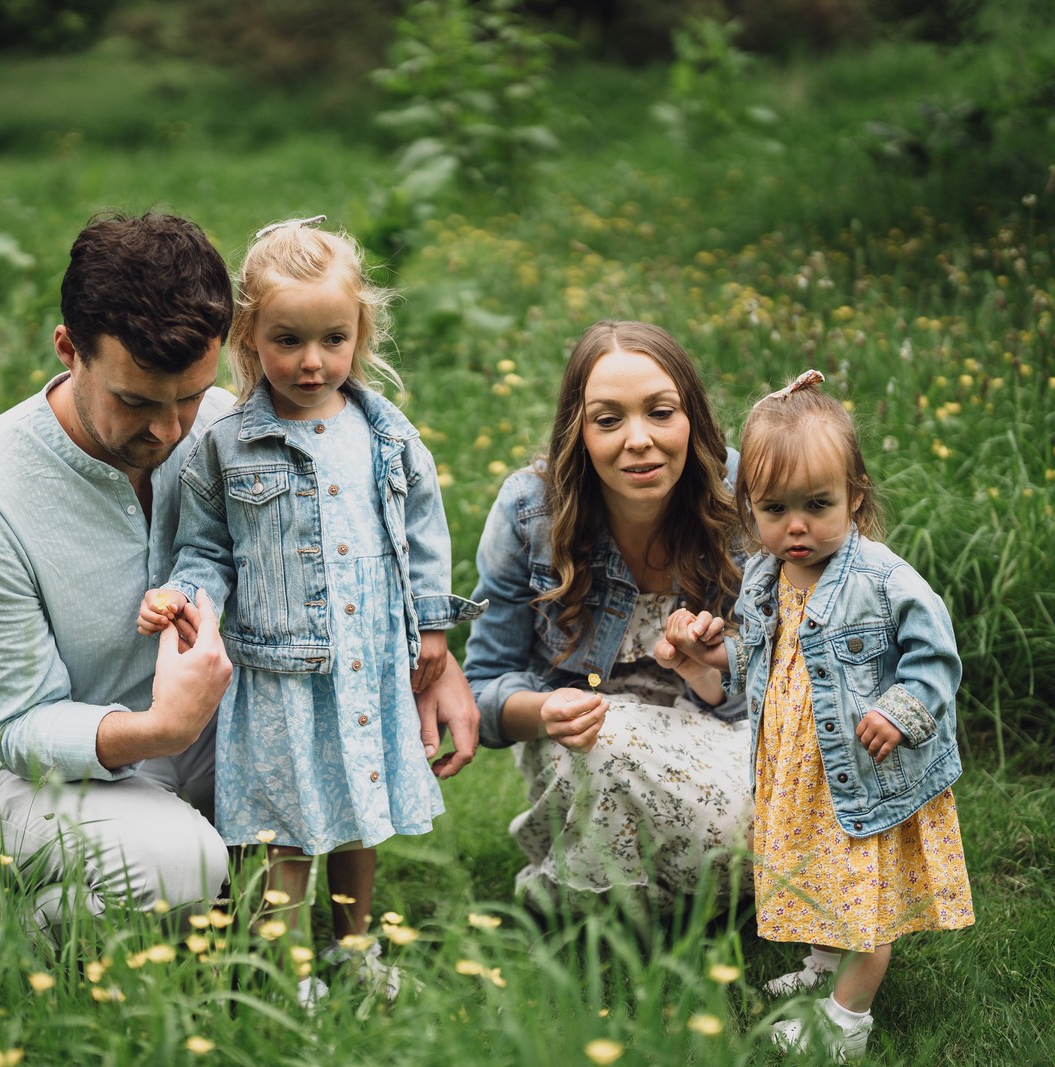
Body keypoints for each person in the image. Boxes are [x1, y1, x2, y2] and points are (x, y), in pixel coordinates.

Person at [0, 211, 481, 935]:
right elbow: (20, 726)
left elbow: (341, 539)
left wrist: (424, 653)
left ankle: (198, 913)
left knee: (310, 772)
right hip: (17, 777)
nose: (170, 430)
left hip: (192, 728)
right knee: (191, 869)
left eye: (190, 394)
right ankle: (15, 931)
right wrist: (157, 728)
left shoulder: (224, 428)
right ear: (68, 349)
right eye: (137, 401)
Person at [139, 216, 484, 1000]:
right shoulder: (225, 443)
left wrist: (431, 626)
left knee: (359, 816)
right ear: (249, 339)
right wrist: (185, 603)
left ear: (359, 333)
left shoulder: (384, 433)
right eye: (288, 340)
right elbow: (206, 551)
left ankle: (355, 946)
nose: (312, 360)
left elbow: (422, 531)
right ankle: (284, 965)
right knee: (289, 829)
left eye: (333, 338)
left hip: (367, 662)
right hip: (279, 672)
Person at [666, 369, 975, 1060]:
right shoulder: (763, 573)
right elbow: (760, 658)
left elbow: (937, 655)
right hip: (797, 768)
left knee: (863, 897)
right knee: (811, 867)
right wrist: (719, 651)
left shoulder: (883, 577)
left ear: (855, 497)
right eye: (774, 509)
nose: (795, 525)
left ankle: (846, 1020)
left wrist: (901, 709)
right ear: (748, 505)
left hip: (865, 773)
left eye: (817, 503)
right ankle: (823, 962)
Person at [462, 320, 753, 921]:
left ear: (692, 416)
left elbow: (774, 684)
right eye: (609, 419)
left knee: (759, 836)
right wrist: (544, 710)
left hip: (716, 733)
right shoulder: (530, 510)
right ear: (581, 433)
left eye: (660, 412)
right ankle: (595, 913)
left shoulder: (742, 496)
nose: (639, 439)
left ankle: (657, 902)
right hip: (581, 742)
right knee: (608, 739)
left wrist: (708, 671)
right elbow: (483, 688)